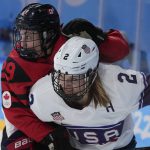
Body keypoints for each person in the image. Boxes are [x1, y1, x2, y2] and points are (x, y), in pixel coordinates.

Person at [1, 2, 130, 150]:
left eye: (29, 36)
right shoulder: (14, 65)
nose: (22, 42)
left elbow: (121, 50)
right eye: (21, 34)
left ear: (47, 34)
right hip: (33, 125)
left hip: (71, 120)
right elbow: (15, 112)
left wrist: (99, 37)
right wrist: (47, 135)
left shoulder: (73, 45)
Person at [29, 36, 150, 150]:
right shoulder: (43, 95)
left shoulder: (118, 86)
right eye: (60, 76)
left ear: (92, 75)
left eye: (74, 78)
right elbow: (21, 120)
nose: (65, 85)